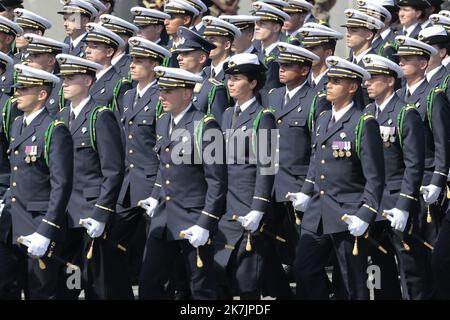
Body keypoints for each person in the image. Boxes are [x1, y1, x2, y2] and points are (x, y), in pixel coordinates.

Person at [292, 56, 385, 300]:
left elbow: (375, 176)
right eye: (329, 80)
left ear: (352, 87)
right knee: (304, 269)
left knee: (352, 282)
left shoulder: (363, 123)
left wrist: (366, 214)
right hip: (318, 212)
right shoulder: (323, 118)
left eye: (336, 81)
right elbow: (316, 161)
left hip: (348, 212)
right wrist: (305, 190)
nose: (328, 85)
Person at [138, 66, 227, 299]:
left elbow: (217, 181)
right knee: (150, 281)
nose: (161, 96)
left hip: (192, 217)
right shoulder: (163, 121)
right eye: (161, 91)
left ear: (186, 94)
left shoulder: (205, 125)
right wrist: (154, 195)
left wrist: (205, 223)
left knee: (200, 287)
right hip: (164, 218)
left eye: (168, 91)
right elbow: (164, 165)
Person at [55, 53, 132, 300]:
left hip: (91, 213)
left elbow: (113, 170)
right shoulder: (61, 118)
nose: (64, 83)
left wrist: (101, 212)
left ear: (88, 81)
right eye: (63, 78)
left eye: (71, 78)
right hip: (66, 215)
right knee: (68, 280)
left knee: (99, 287)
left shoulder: (100, 116)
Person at [3, 64, 73, 299]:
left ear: (42, 94)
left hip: (37, 224)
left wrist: (47, 230)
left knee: (41, 292)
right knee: (9, 286)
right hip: (14, 222)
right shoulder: (17, 124)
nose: (17, 94)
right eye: (17, 88)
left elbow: (61, 185)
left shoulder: (54, 130)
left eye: (23, 89)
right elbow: (17, 174)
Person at [363, 53, 427, 300]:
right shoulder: (368, 113)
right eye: (366, 79)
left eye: (374, 78)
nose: (367, 83)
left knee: (409, 269)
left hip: (398, 204)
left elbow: (414, 165)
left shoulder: (405, 113)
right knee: (378, 270)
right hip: (374, 204)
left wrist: (404, 204)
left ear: (390, 81)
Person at [214, 53, 277, 300]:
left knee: (247, 284)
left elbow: (267, 165)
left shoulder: (264, 117)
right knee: (221, 278)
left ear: (253, 83)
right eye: (229, 78)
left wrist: (259, 207)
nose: (230, 83)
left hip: (248, 207)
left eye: (237, 78)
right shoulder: (228, 114)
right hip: (226, 207)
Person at [112, 37, 171, 285]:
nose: (132, 65)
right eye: (132, 60)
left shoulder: (161, 96)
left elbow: (164, 149)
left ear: (155, 65)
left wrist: (159, 189)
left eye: (139, 61)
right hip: (128, 184)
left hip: (152, 184)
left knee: (156, 252)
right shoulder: (127, 96)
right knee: (110, 242)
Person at [174, 27, 228, 124]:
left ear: (202, 58)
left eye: (185, 53)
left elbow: (217, 129)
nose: (178, 58)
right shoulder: (174, 85)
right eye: (178, 53)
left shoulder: (213, 89)